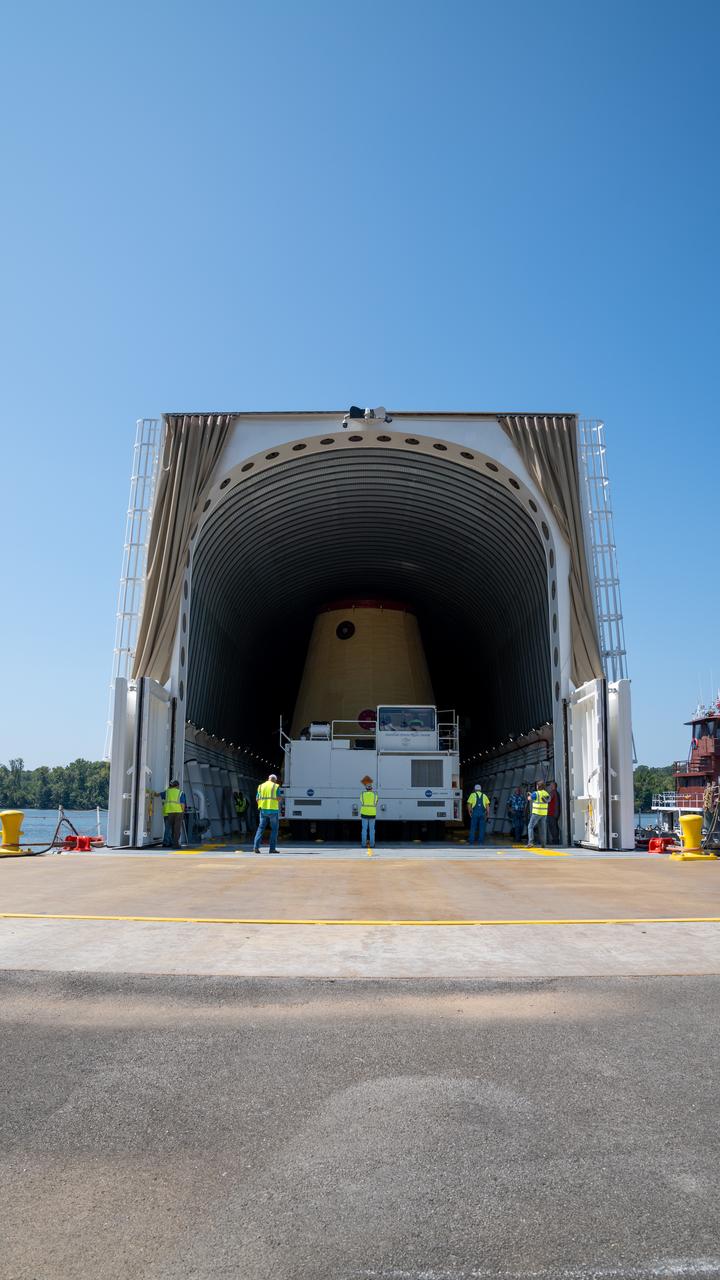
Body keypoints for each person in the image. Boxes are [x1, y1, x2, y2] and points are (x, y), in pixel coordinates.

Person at [254, 773, 280, 854]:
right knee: (274, 829)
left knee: (261, 828)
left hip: (263, 810)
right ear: (274, 780)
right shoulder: (276, 786)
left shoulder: (261, 786)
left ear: (268, 778)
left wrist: (261, 805)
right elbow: (278, 798)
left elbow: (257, 798)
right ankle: (272, 849)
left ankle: (256, 847)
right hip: (273, 810)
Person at [157, 779, 186, 849]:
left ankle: (166, 842)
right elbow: (182, 804)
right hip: (178, 812)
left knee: (168, 828)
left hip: (168, 812)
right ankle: (175, 844)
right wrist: (183, 812)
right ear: (177, 786)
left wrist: (151, 793)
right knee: (176, 829)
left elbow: (158, 795)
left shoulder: (167, 792)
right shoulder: (180, 792)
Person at [527, 780, 550, 847]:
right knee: (543, 829)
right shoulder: (546, 793)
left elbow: (529, 798)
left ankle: (531, 842)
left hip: (536, 813)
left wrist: (529, 795)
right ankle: (543, 844)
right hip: (544, 814)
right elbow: (548, 800)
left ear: (537, 786)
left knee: (530, 826)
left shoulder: (536, 793)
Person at [359, 775, 378, 848]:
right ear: (371, 788)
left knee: (364, 829)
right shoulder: (375, 794)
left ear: (366, 788)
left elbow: (361, 801)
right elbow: (376, 802)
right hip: (372, 814)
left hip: (364, 813)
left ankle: (363, 844)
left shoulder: (362, 794)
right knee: (372, 830)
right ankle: (372, 844)